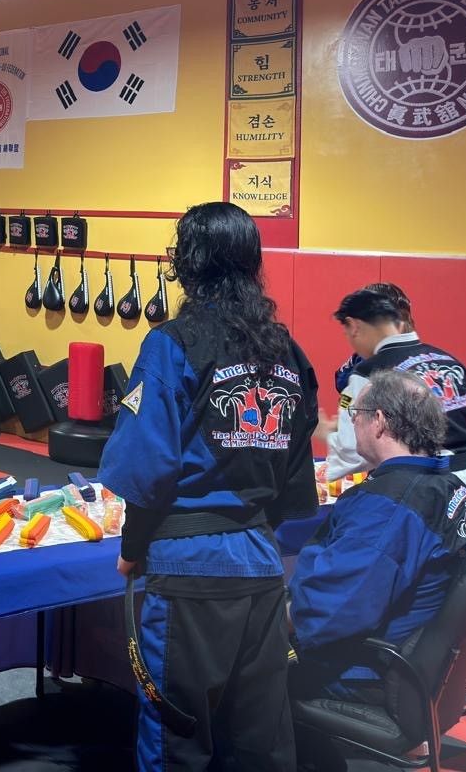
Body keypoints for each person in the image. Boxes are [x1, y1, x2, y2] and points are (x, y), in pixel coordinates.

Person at [99, 201, 318, 772]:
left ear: (189, 264)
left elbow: (147, 468)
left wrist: (131, 547)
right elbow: (296, 474)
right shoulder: (287, 352)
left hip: (190, 565)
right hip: (262, 564)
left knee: (179, 733)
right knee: (259, 737)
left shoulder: (172, 343)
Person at [288, 371, 466, 708]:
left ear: (378, 421)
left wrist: (272, 619)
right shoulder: (450, 486)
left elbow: (330, 611)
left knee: (242, 679)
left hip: (365, 674)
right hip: (428, 668)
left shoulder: (387, 508)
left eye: (355, 416)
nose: (352, 426)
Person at [325, 286, 466, 523]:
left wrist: (326, 433)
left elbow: (354, 453)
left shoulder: (370, 373)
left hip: (429, 503)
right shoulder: (449, 361)